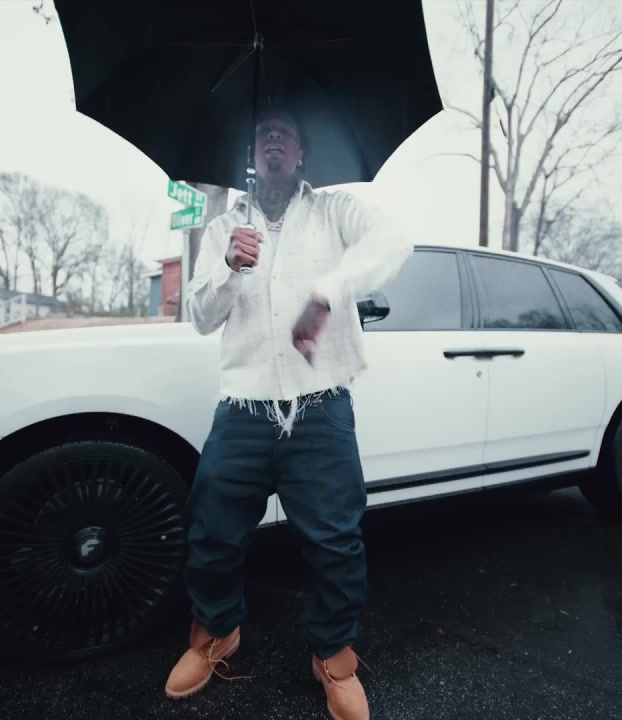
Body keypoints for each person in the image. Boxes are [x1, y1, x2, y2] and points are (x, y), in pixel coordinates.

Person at [164, 105, 411, 720]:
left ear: (301, 154)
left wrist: (327, 293)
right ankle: (216, 633)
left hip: (321, 404)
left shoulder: (335, 212)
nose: (273, 139)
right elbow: (200, 318)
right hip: (243, 408)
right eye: (262, 133)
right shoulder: (225, 228)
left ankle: (334, 655)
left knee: (336, 541)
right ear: (253, 156)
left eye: (285, 134)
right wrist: (229, 268)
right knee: (213, 531)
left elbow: (394, 239)